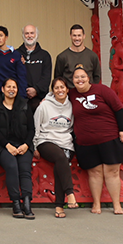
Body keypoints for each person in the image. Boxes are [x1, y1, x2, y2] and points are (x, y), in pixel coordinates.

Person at [69, 67, 123, 214]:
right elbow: (57, 95)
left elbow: (118, 108)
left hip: (109, 137)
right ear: (72, 80)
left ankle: (117, 205)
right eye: (76, 77)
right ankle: (96, 204)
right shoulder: (71, 94)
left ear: (89, 78)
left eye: (83, 76)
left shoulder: (102, 90)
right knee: (94, 172)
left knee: (112, 172)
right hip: (85, 141)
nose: (80, 80)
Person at [0, 78, 35, 219]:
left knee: (25, 169)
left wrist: (26, 144)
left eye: (14, 87)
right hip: (3, 145)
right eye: (8, 87)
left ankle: (27, 203)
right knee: (12, 166)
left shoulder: (25, 105)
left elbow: (31, 129)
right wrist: (7, 146)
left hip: (23, 144)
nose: (11, 89)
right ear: (2, 89)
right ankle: (15, 203)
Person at [33, 77, 77, 217]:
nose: (60, 90)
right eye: (57, 88)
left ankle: (59, 206)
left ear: (67, 89)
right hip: (46, 140)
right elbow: (36, 127)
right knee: (60, 157)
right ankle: (70, 193)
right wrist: (34, 146)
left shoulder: (71, 106)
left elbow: (71, 127)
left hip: (65, 142)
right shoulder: (44, 106)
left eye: (62, 87)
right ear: (52, 90)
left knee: (61, 163)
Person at [0, 26, 28, 97]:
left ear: (6, 37)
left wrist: (22, 97)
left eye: (1, 35)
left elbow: (22, 77)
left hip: (13, 93)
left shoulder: (16, 54)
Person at [54, 24, 102, 89]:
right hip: (69, 95)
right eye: (74, 35)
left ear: (84, 36)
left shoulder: (92, 56)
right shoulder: (62, 57)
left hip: (88, 94)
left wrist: (92, 91)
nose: (77, 38)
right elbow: (58, 79)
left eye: (79, 35)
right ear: (70, 36)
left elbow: (97, 76)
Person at [18, 24, 52, 111]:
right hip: (20, 100)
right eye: (27, 33)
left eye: (32, 33)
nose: (29, 36)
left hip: (40, 100)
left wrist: (36, 90)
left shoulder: (45, 55)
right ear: (23, 36)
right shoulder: (16, 54)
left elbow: (46, 77)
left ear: (37, 35)